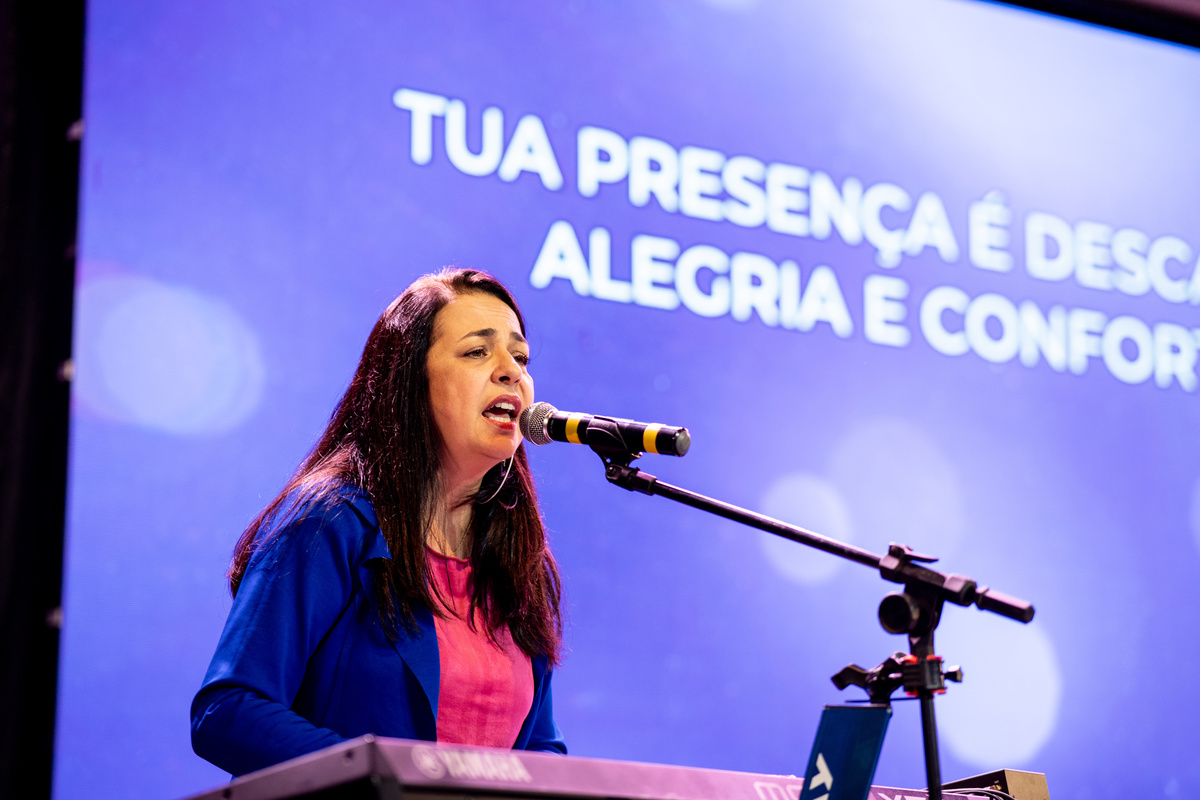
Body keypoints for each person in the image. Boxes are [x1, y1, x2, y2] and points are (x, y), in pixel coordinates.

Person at [191, 268, 565, 777]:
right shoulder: (330, 520)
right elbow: (228, 711)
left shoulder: (518, 561)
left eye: (520, 357)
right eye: (477, 352)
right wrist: (385, 778)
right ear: (410, 380)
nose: (511, 372)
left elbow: (541, 748)